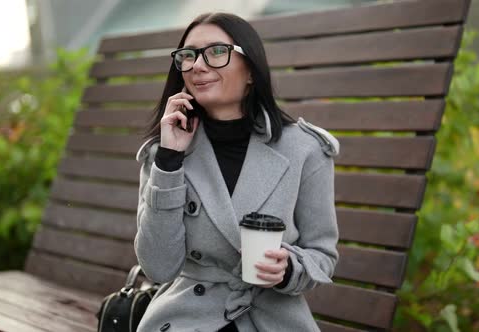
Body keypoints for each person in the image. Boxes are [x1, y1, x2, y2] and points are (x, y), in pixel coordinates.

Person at [134, 12, 340, 332]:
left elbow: (322, 254)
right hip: (189, 318)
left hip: (273, 318)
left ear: (251, 71)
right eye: (188, 56)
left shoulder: (305, 150)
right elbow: (158, 267)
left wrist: (287, 269)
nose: (198, 66)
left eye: (216, 52)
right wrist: (170, 160)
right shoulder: (164, 153)